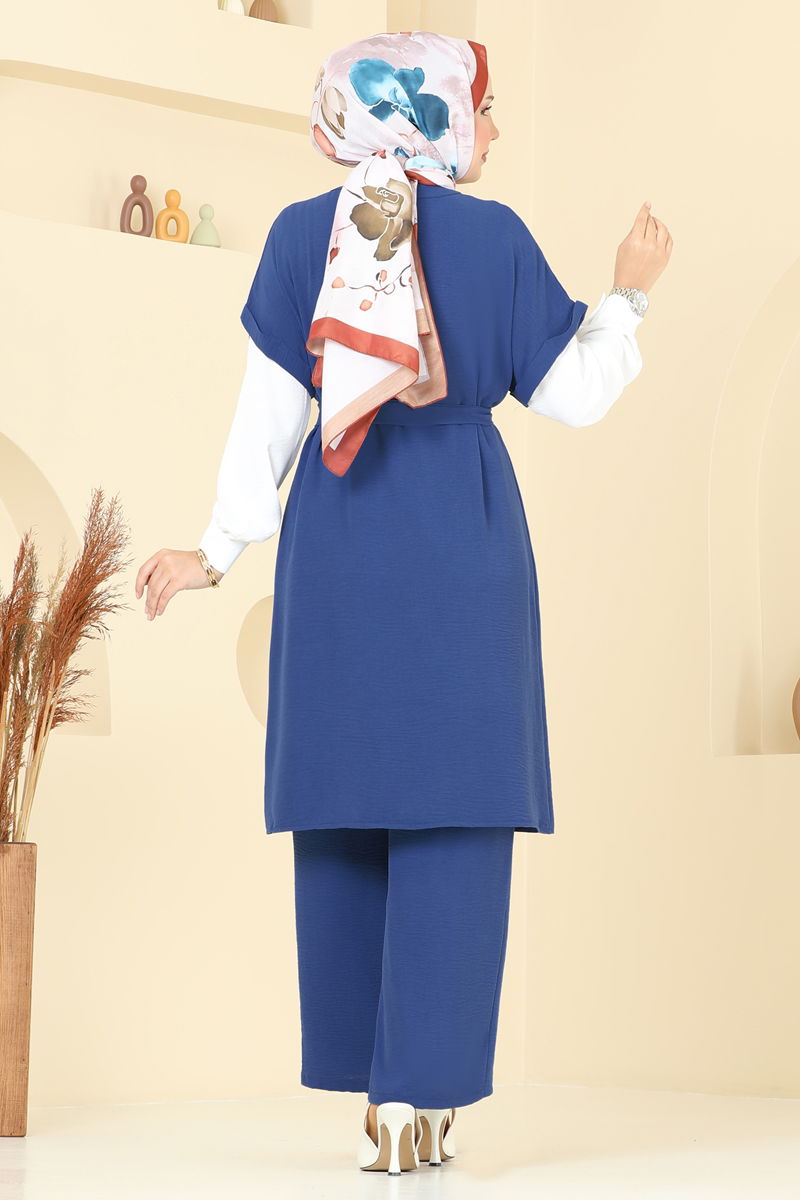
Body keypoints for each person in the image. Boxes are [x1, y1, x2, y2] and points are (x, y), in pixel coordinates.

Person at [136, 31, 672, 1175]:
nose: (496, 127)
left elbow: (270, 417)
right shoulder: (494, 235)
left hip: (338, 538)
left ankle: (373, 1097)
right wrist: (627, 293)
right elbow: (572, 395)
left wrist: (216, 552)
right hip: (460, 540)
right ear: (435, 115)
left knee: (345, 796)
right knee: (455, 809)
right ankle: (418, 1096)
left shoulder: (300, 235)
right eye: (484, 105)